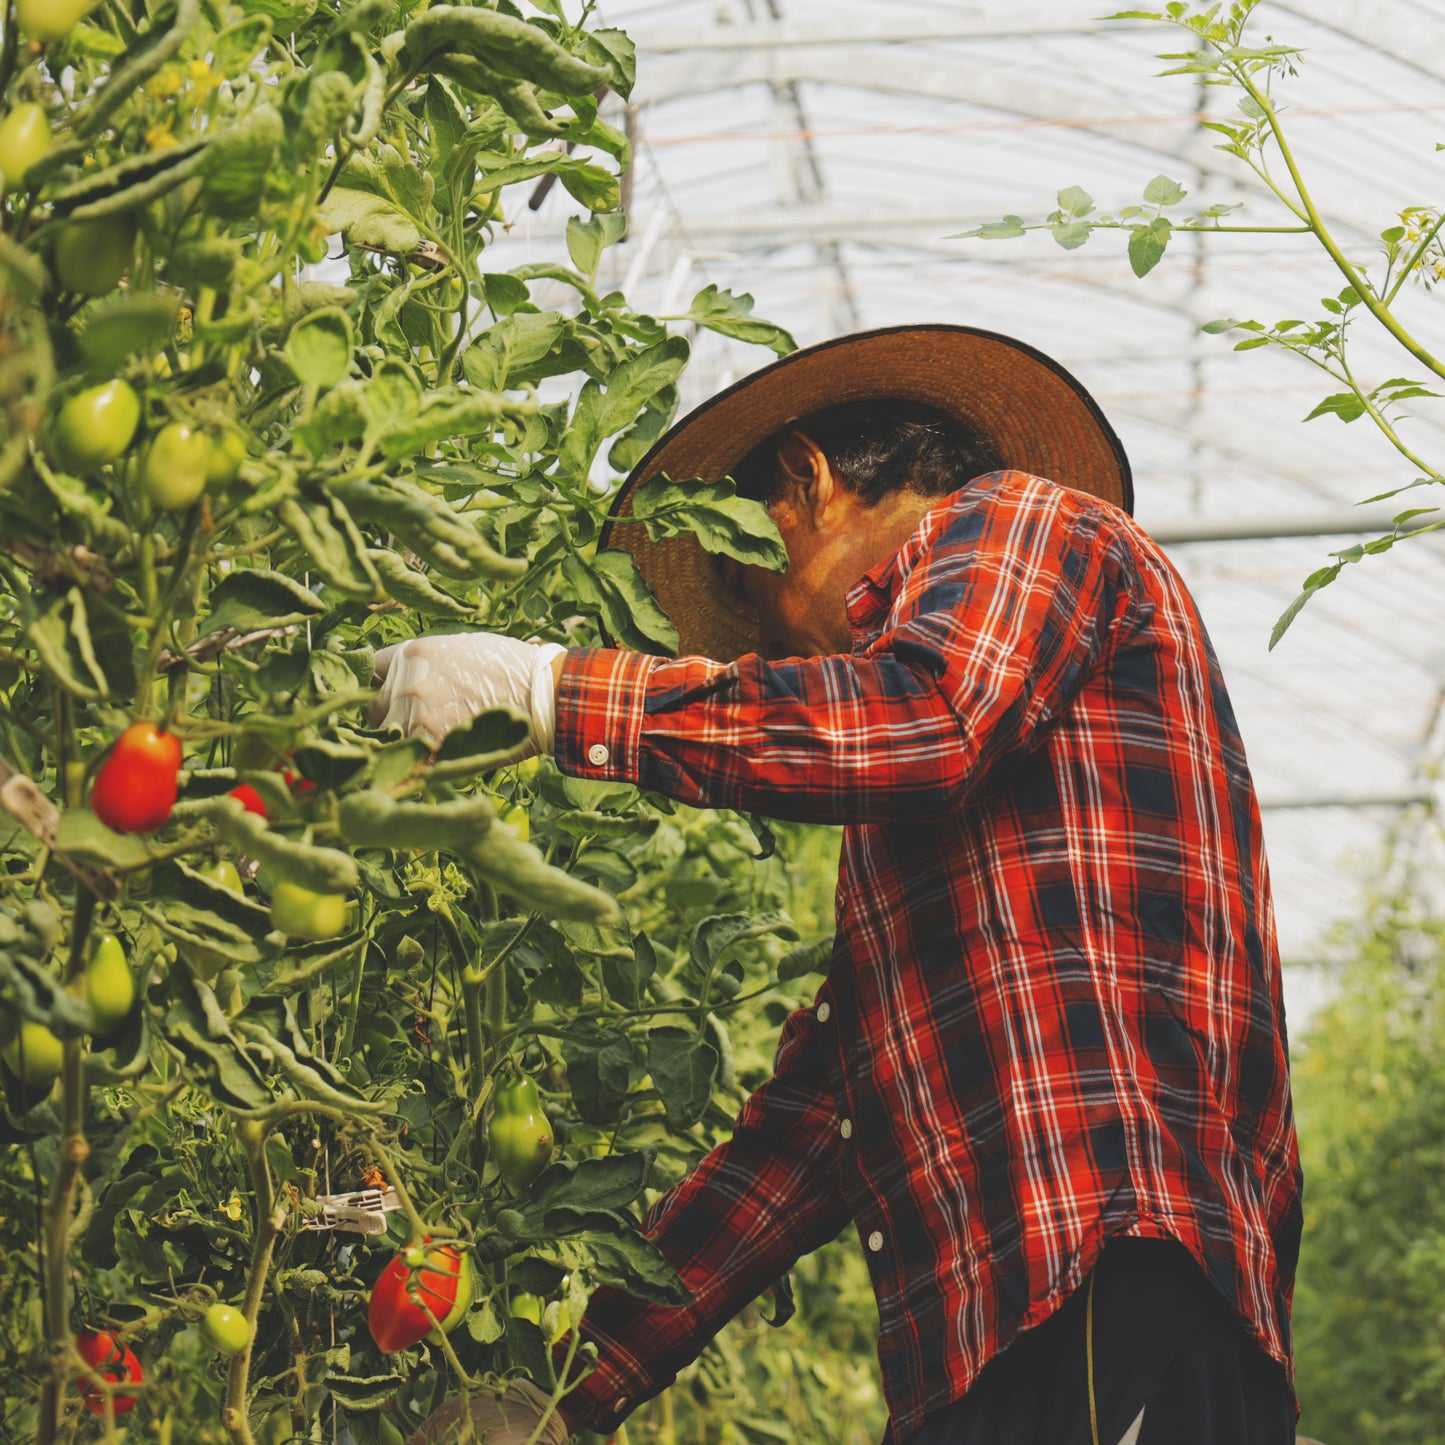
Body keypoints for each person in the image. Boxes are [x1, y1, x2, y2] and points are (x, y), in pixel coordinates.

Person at [371, 325, 1303, 1445]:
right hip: (986, 1338)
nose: (760, 637)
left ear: (807, 483)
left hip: (1113, 1259)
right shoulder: (912, 832)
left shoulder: (1025, 525)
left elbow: (926, 723)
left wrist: (551, 694)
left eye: (737, 576)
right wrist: (574, 1393)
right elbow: (823, 1122)